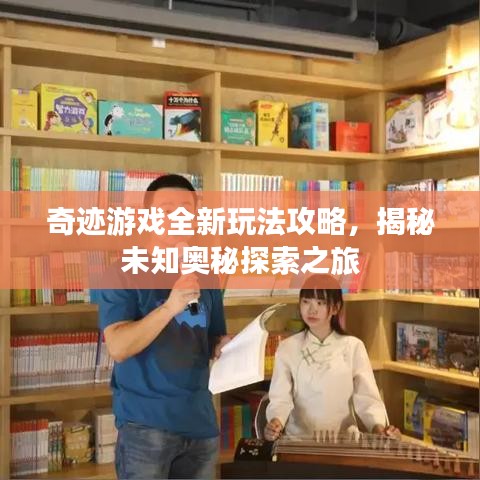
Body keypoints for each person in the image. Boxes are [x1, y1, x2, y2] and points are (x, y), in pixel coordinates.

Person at [97, 174, 230, 479]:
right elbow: (118, 347)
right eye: (167, 210)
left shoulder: (206, 273)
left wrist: (223, 345)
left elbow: (211, 339)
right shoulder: (123, 272)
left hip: (201, 424)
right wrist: (170, 307)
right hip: (146, 428)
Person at [264, 274, 400, 442]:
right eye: (306, 302)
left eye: (320, 303)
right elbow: (280, 398)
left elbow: (367, 398)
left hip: (344, 442)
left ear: (335, 308)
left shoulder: (353, 346)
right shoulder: (287, 348)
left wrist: (379, 429)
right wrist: (275, 422)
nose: (312, 309)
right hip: (299, 442)